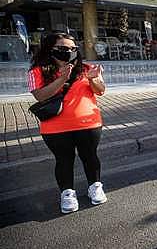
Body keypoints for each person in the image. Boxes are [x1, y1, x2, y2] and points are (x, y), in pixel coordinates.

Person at [27, 33, 107, 214]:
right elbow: (40, 95)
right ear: (50, 49)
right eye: (63, 49)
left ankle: (95, 186)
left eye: (73, 49)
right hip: (55, 128)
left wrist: (95, 79)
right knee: (64, 160)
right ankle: (67, 193)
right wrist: (62, 79)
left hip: (88, 124)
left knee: (90, 156)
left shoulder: (86, 68)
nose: (69, 52)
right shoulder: (37, 71)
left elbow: (101, 91)